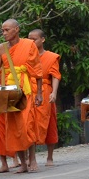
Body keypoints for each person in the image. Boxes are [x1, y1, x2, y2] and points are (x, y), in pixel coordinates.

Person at [0, 19, 43, 173]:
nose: (4, 33)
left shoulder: (29, 45)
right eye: (3, 30)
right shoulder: (0, 49)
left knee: (27, 124)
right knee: (14, 128)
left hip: (25, 89)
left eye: (7, 30)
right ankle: (23, 163)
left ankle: (32, 158)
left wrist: (39, 92)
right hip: (9, 90)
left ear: (16, 29)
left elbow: (37, 69)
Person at [28, 29, 61, 166]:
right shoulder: (27, 56)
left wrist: (54, 92)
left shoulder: (51, 57)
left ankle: (50, 157)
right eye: (29, 39)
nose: (31, 42)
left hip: (45, 91)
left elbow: (55, 75)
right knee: (29, 123)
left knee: (50, 122)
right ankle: (32, 158)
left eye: (34, 39)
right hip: (29, 89)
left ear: (42, 39)